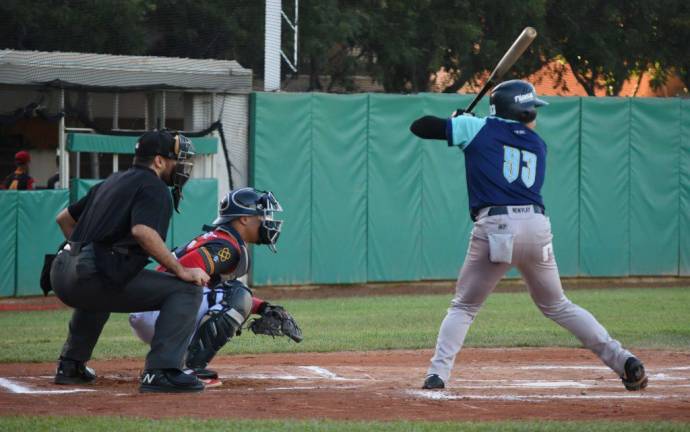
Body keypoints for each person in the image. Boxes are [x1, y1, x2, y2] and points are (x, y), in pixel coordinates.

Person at [409, 80, 648, 392]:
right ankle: (624, 360)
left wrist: (456, 123)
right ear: (518, 109)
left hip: (497, 227)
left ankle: (437, 375)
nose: (534, 113)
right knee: (558, 305)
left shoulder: (478, 127)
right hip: (537, 227)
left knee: (464, 307)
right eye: (531, 107)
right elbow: (495, 139)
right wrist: (463, 125)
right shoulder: (537, 143)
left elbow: (420, 127)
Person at [49, 130, 211, 393]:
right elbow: (142, 231)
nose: (181, 166)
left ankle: (71, 365)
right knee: (187, 289)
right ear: (159, 161)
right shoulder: (154, 187)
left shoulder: (113, 181)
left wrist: (83, 255)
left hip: (61, 270)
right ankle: (162, 371)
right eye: (177, 159)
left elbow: (63, 219)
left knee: (104, 283)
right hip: (88, 272)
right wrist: (181, 270)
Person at [129, 187, 302, 387]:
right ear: (244, 219)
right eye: (262, 215)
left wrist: (263, 307)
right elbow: (183, 271)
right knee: (237, 295)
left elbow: (211, 287)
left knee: (236, 294)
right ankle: (188, 366)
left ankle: (176, 360)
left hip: (155, 308)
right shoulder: (225, 247)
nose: (267, 221)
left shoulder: (223, 240)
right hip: (160, 310)